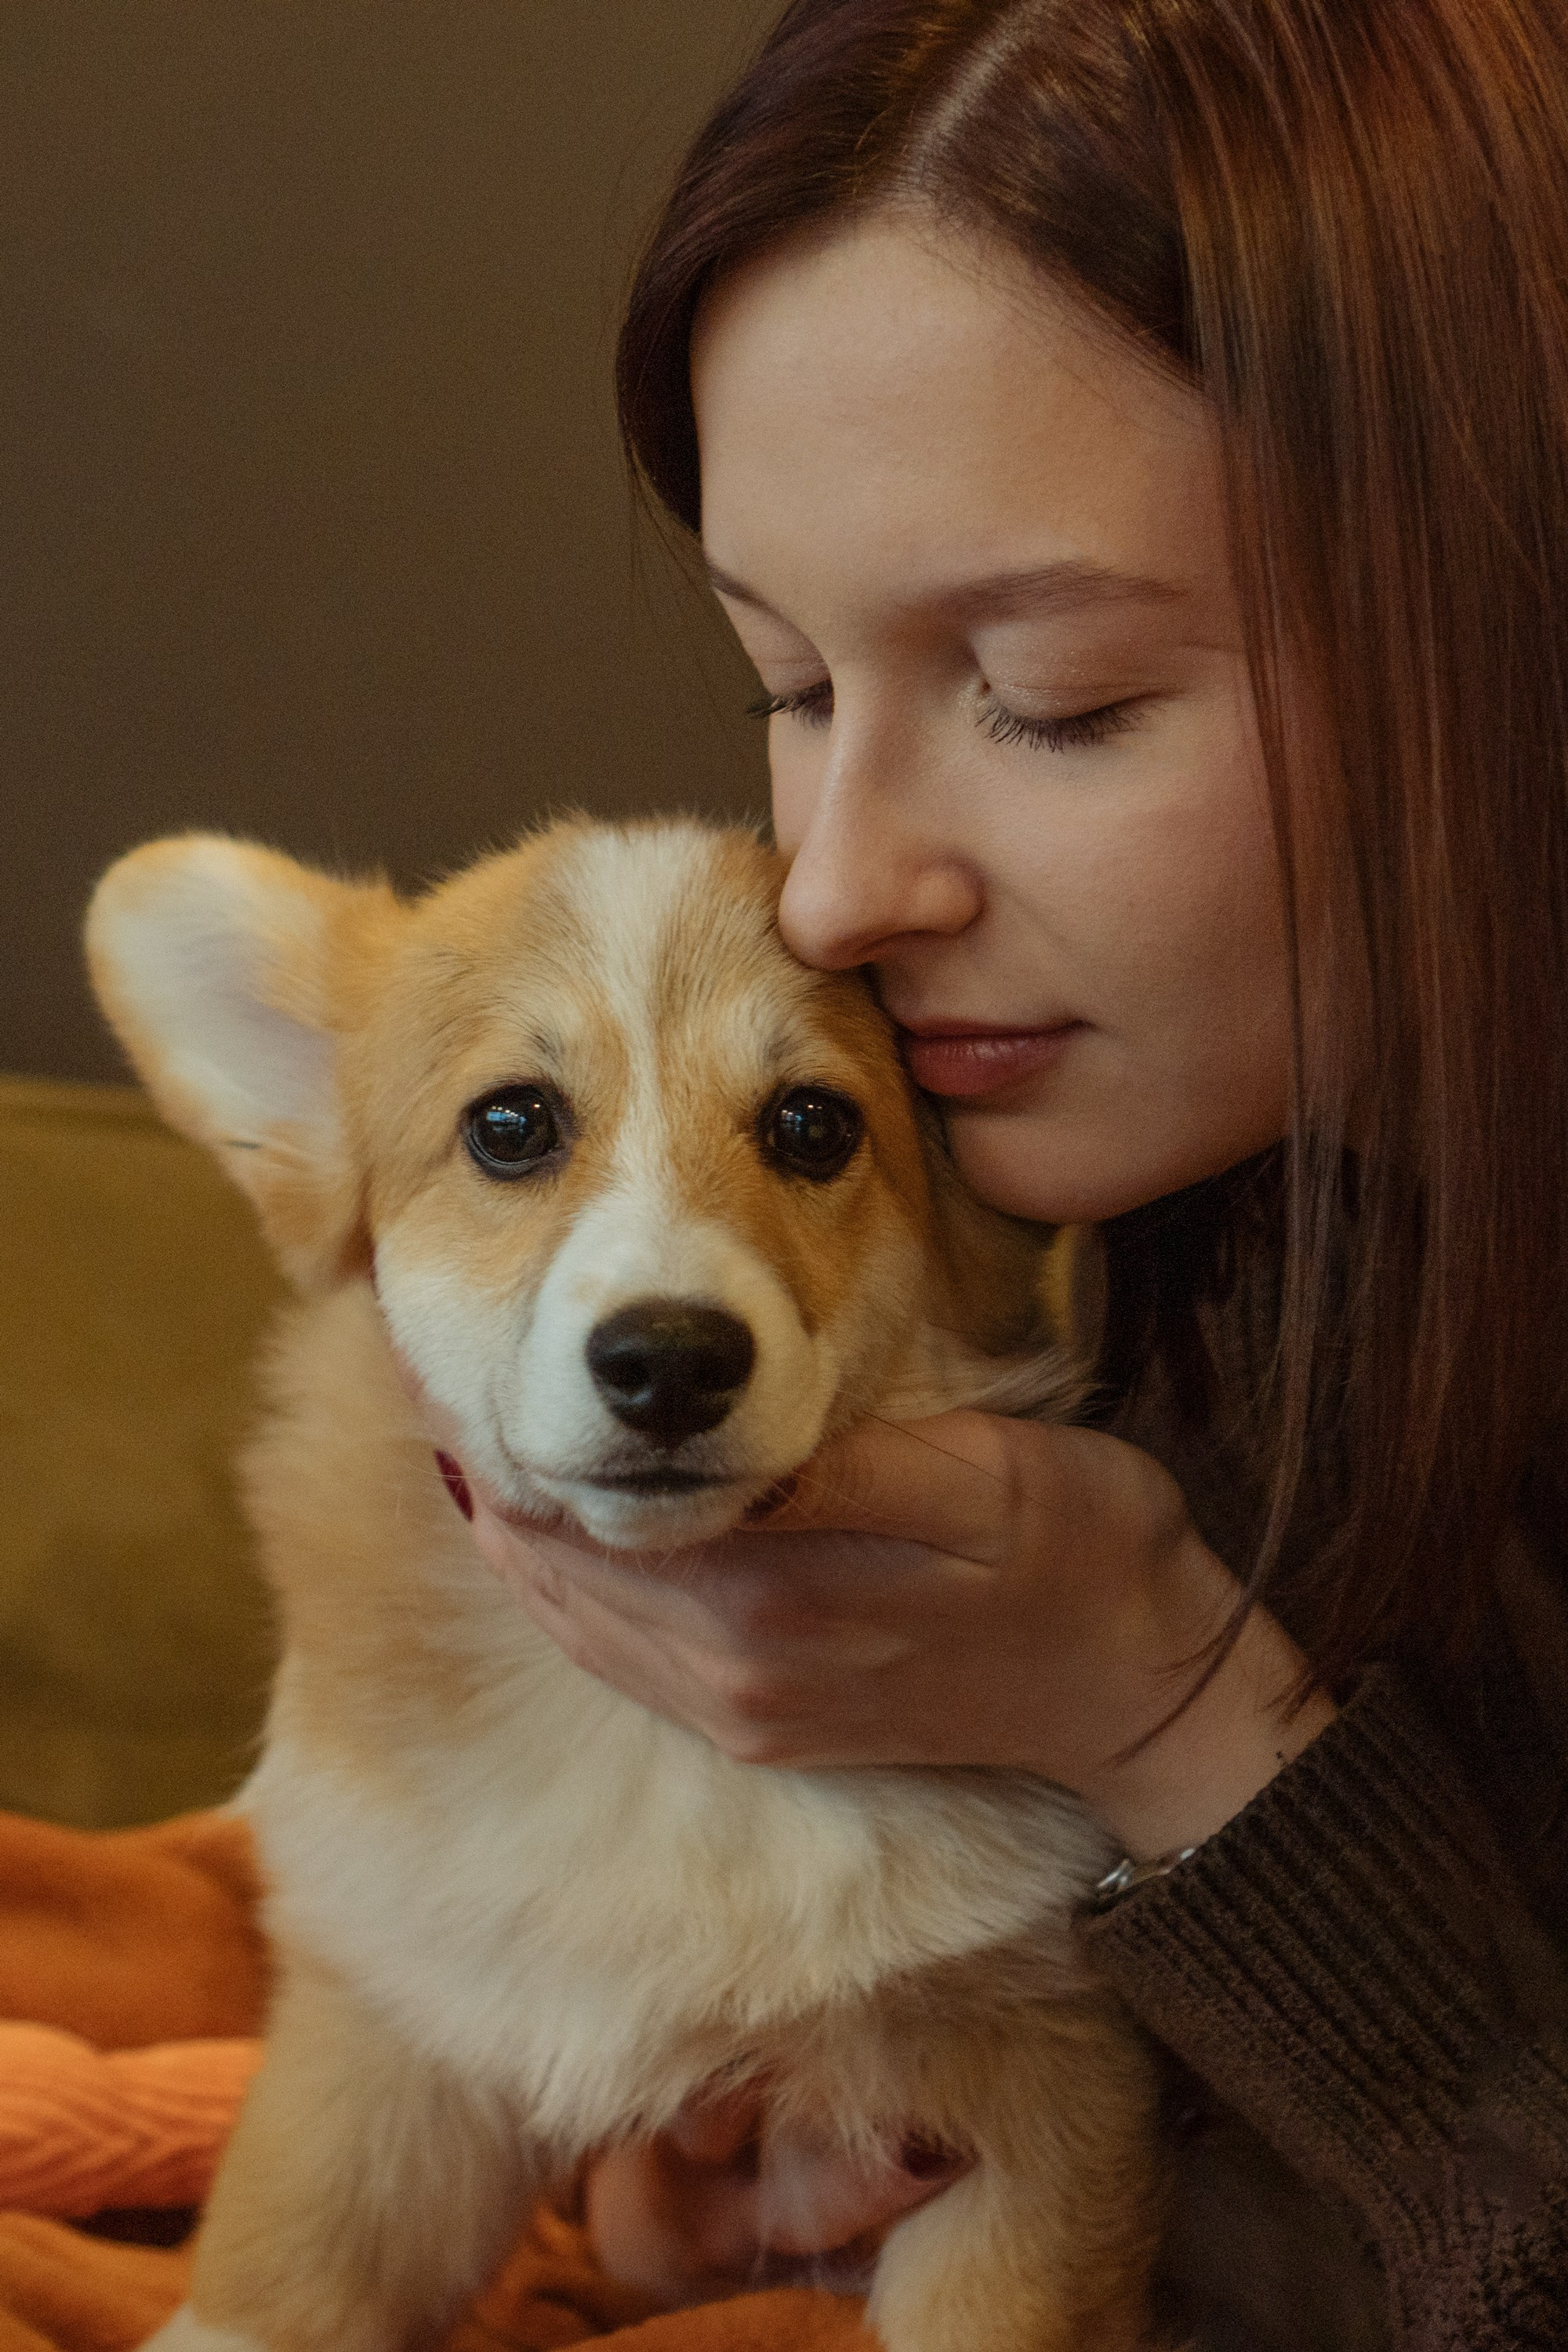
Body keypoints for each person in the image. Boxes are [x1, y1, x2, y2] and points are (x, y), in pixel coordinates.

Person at [461, 2, 1568, 2343]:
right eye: (789, 681)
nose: (844, 881)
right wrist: (802, 2149)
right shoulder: (1192, 1217)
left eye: (1051, 699)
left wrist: (1169, 1710)